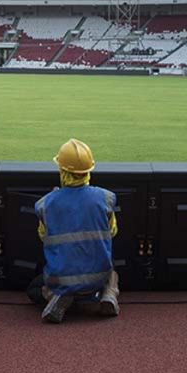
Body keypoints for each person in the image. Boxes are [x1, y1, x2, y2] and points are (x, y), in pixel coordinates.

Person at [27, 138, 120, 323]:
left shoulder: (45, 204)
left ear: (62, 170)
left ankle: (56, 295)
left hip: (61, 279)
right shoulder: (106, 198)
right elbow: (113, 232)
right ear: (87, 171)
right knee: (113, 273)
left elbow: (43, 236)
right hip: (98, 278)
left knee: (33, 289)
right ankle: (108, 295)